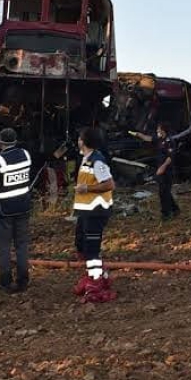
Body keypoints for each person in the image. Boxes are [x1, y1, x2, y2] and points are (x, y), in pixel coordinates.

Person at [0, 128, 32, 293]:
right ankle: (23, 281)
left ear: (0, 142)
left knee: (4, 247)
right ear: (15, 140)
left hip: (4, 211)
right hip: (23, 207)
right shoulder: (26, 155)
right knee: (22, 245)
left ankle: (5, 282)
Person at [72, 127, 117, 303]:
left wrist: (87, 188)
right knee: (81, 245)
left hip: (96, 212)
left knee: (92, 249)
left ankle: (97, 279)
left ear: (84, 141)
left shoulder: (97, 162)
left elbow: (109, 184)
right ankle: (93, 274)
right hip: (85, 211)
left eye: (79, 138)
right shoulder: (86, 160)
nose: (77, 141)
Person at [129, 122, 180, 220]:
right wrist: (137, 134)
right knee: (165, 191)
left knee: (163, 192)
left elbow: (170, 157)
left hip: (167, 170)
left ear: (163, 130)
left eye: (158, 129)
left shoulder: (170, 141)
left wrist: (163, 167)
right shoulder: (159, 140)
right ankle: (175, 209)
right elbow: (148, 138)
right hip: (160, 169)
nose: (157, 131)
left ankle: (166, 214)